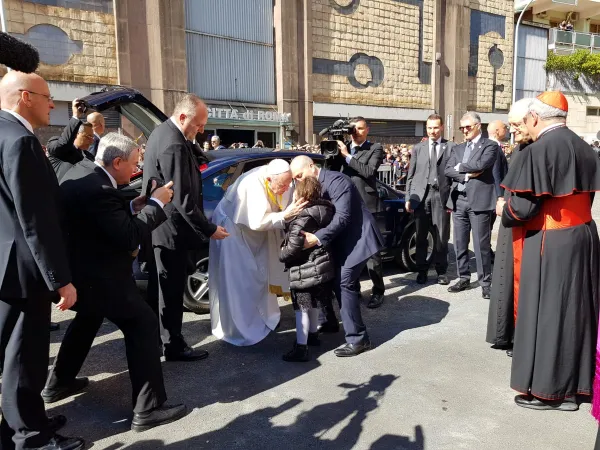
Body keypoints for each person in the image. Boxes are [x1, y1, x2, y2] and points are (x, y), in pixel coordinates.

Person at [43, 133, 187, 430]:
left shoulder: (83, 171)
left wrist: (137, 206)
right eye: (134, 163)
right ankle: (148, 409)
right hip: (101, 275)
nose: (137, 168)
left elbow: (103, 220)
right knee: (144, 324)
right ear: (117, 162)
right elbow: (129, 236)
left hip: (82, 272)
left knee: (87, 320)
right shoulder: (99, 188)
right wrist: (157, 206)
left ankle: (58, 383)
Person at [499, 91, 600, 411]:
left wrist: (504, 209)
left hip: (551, 239)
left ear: (534, 118)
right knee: (578, 312)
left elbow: (523, 208)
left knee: (549, 314)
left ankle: (551, 391)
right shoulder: (586, 148)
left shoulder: (537, 150)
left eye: (525, 121)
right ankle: (577, 387)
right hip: (584, 234)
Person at [0, 71, 83, 450]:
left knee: (13, 357)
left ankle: (25, 423)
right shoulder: (20, 141)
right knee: (24, 360)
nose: (53, 104)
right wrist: (59, 279)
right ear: (23, 97)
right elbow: (35, 220)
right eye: (47, 97)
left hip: (5, 264)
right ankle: (30, 438)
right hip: (22, 271)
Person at [143, 94, 229, 361]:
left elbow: (199, 161)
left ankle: (157, 341)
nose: (201, 130)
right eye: (198, 124)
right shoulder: (173, 144)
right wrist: (209, 229)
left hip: (161, 228)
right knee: (170, 292)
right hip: (171, 231)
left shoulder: (165, 134)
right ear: (182, 117)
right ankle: (174, 346)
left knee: (160, 291)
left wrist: (193, 140)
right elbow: (183, 199)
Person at [290, 155, 385, 357]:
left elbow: (343, 217)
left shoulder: (337, 181)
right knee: (329, 280)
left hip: (358, 238)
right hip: (339, 241)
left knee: (344, 283)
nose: (297, 181)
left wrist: (316, 238)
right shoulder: (310, 185)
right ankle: (330, 322)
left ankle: (359, 339)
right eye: (294, 178)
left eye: (299, 175)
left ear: (311, 167)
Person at [209, 159, 307, 345]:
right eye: (282, 185)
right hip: (233, 233)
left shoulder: (280, 178)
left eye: (288, 184)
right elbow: (255, 221)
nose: (286, 189)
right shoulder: (252, 184)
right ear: (269, 179)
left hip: (259, 236)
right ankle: (240, 328)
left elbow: (281, 205)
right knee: (240, 282)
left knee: (262, 277)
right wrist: (285, 215)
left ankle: (266, 318)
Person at [486, 99, 533, 358]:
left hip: (520, 221)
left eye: (515, 124)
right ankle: (503, 333)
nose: (512, 129)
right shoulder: (518, 149)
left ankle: (514, 336)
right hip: (508, 217)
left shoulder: (534, 150)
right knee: (504, 277)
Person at [279, 176, 335, 362]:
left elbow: (293, 248)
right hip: (321, 265)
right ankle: (313, 335)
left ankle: (301, 348)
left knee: (301, 307)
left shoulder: (301, 218)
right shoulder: (326, 210)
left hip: (303, 267)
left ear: (301, 194)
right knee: (314, 303)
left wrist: (281, 254)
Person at [445, 112, 500, 299]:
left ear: (478, 126)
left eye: (468, 127)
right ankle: (463, 277)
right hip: (459, 200)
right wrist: (467, 174)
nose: (465, 130)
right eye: (462, 128)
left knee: (480, 244)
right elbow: (448, 170)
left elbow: (482, 164)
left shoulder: (490, 146)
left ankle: (485, 283)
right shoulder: (458, 148)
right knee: (460, 243)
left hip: (480, 201)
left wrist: (460, 167)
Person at [332, 117, 386, 308]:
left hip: (368, 205)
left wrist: (347, 156)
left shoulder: (375, 148)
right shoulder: (340, 146)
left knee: (373, 255)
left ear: (367, 130)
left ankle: (378, 291)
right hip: (345, 206)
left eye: (361, 128)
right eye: (354, 128)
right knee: (349, 250)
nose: (357, 132)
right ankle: (353, 289)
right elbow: (332, 171)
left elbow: (369, 171)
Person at [405, 114, 453, 285]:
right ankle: (422, 271)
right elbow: (411, 175)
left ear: (442, 127)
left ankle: (441, 271)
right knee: (421, 236)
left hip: (441, 196)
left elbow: (454, 176)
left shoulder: (451, 147)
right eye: (429, 128)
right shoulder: (418, 148)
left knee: (441, 236)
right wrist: (408, 198)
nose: (432, 131)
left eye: (435, 127)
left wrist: (451, 200)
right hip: (421, 197)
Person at [486, 120, 510, 234]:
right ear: (497, 131)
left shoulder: (490, 145)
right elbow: (496, 172)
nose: (506, 130)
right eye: (504, 127)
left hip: (491, 192)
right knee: (488, 224)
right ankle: (485, 249)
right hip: (492, 193)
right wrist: (500, 195)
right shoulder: (493, 147)